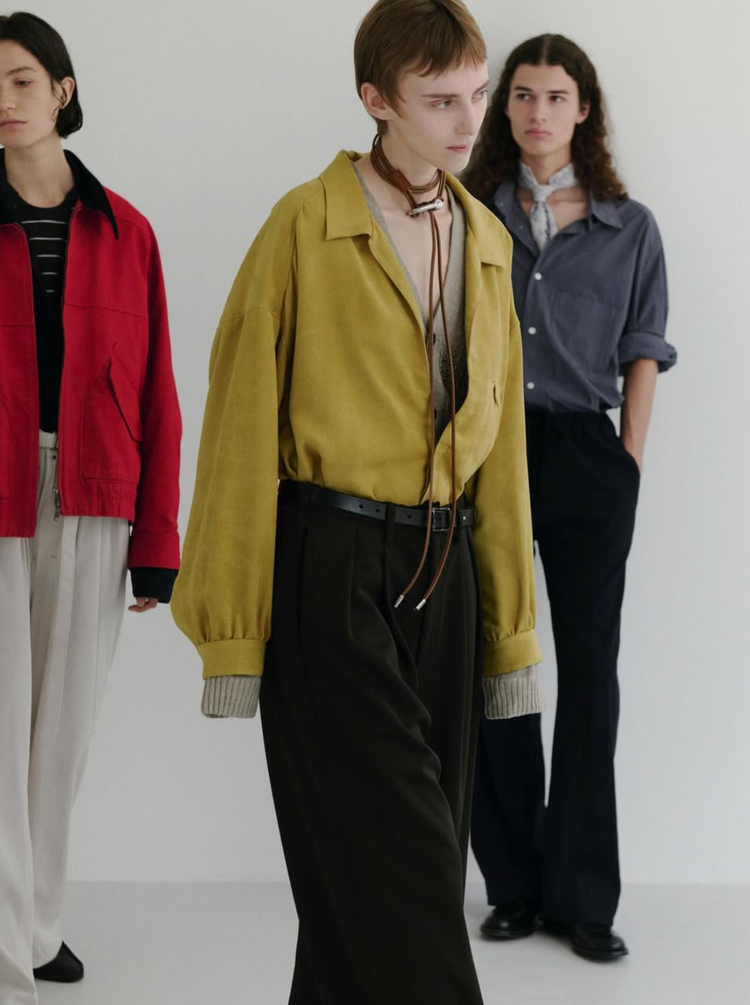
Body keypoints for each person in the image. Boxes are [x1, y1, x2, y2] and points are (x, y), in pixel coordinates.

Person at [171, 1, 542, 1001]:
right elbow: (238, 432)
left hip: (448, 574)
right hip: (330, 568)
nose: (470, 120)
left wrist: (510, 637)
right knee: (403, 877)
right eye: (440, 100)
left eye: (476, 94)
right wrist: (232, 635)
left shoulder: (487, 239)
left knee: (369, 899)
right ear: (377, 100)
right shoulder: (303, 225)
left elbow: (501, 457)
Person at [462, 33, 677, 962]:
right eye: (522, 95)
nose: (538, 112)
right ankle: (512, 884)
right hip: (491, 452)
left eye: (555, 96)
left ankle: (583, 896)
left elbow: (645, 345)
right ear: (503, 109)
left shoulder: (631, 227)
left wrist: (628, 458)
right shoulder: (469, 212)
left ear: (583, 109)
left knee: (591, 672)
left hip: (590, 454)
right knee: (499, 661)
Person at [0, 12, 181, 1003]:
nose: (4, 101)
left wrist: (159, 541)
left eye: (20, 80)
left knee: (61, 733)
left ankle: (35, 925)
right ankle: (8, 947)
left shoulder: (126, 230)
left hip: (96, 494)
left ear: (62, 90)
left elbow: (158, 394)